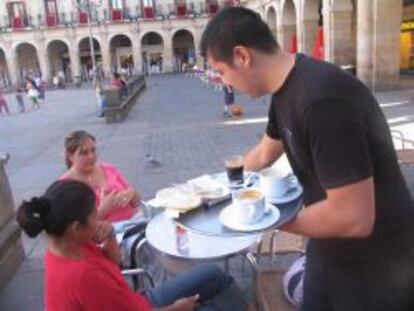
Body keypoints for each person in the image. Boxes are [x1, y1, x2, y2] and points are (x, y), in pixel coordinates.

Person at [201, 7, 414, 311]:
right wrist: (218, 193)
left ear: (242, 56)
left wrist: (261, 220)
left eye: (221, 71)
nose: (224, 83)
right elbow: (263, 153)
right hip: (328, 251)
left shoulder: (322, 100)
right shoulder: (285, 92)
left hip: (376, 268)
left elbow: (354, 218)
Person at [16, 179, 233, 311]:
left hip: (134, 301)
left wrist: (110, 234)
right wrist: (175, 309)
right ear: (75, 227)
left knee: (211, 274)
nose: (99, 215)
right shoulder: (82, 276)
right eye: (94, 212)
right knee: (214, 302)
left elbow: (114, 263)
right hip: (142, 305)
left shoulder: (64, 245)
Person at [60, 130, 138, 223]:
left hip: (134, 222)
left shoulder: (108, 168)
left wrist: (131, 194)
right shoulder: (64, 186)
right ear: (70, 156)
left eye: (93, 150)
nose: (91, 156)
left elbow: (136, 201)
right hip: (105, 235)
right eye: (84, 153)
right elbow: (74, 229)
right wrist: (102, 209)